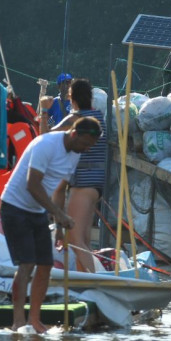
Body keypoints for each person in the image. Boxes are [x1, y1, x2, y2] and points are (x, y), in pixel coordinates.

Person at [0, 116, 102, 333]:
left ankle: (35, 320)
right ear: (74, 133)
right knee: (26, 264)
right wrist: (57, 213)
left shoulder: (74, 154)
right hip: (14, 207)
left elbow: (58, 190)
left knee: (45, 264)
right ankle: (18, 320)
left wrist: (60, 227)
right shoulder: (46, 145)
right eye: (84, 144)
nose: (85, 150)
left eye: (90, 147)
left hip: (38, 210)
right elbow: (32, 185)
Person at [51, 78, 107, 272]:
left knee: (74, 238)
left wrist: (42, 113)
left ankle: (96, 282)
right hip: (98, 183)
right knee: (83, 240)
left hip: (83, 182)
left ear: (71, 98)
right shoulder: (99, 116)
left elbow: (46, 137)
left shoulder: (76, 118)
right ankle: (86, 284)